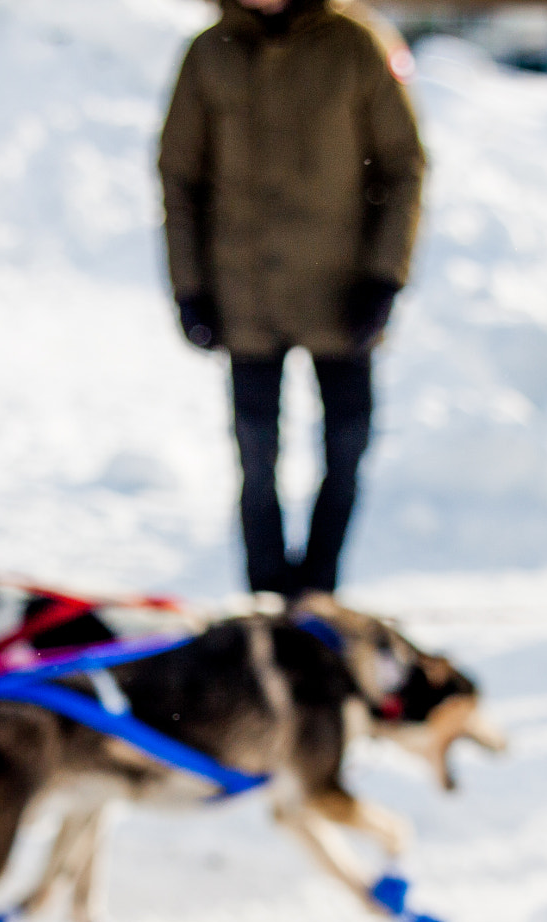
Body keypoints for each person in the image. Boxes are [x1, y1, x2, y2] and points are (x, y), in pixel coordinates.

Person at [159, 0, 426, 598]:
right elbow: (179, 176)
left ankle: (319, 591)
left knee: (347, 446)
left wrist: (386, 276)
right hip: (244, 295)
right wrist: (190, 285)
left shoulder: (357, 45)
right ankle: (266, 593)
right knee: (256, 459)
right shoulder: (209, 53)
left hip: (344, 295)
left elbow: (403, 165)